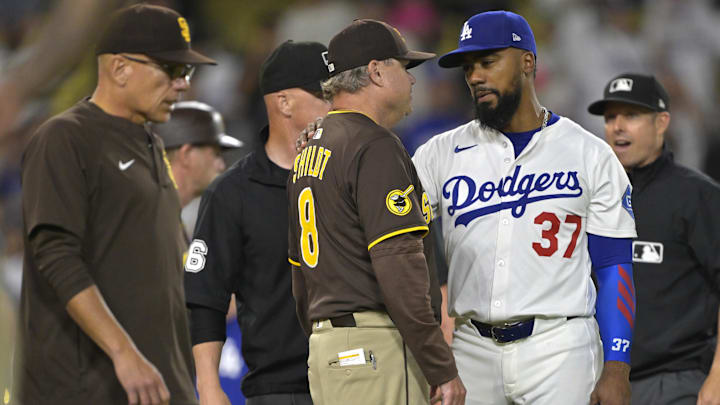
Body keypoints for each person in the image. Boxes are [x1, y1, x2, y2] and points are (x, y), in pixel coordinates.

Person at [411, 11, 637, 405]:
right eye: (468, 68)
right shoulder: (438, 154)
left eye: (487, 62)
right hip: (471, 346)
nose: (475, 77)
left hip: (560, 346)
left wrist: (617, 364)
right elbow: (393, 234)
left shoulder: (589, 154)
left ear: (527, 62)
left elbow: (613, 265)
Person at [15, 4, 215, 405]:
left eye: (186, 73)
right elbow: (56, 256)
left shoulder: (152, 144)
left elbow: (163, 257)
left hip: (157, 386)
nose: (182, 85)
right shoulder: (66, 139)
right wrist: (124, 353)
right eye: (171, 70)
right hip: (88, 387)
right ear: (120, 68)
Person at [287, 20, 465, 405]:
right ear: (376, 71)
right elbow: (399, 268)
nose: (414, 81)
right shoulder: (374, 145)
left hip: (328, 349)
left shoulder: (310, 151)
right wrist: (440, 366)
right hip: (376, 347)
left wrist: (329, 338)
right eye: (405, 67)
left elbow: (298, 273)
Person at [184, 40, 330, 405]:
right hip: (281, 389)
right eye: (324, 93)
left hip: (360, 378)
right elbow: (206, 298)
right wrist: (208, 386)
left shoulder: (354, 177)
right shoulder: (233, 193)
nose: (336, 103)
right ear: (283, 102)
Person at [588, 72, 720, 405]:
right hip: (602, 379)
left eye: (631, 115)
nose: (617, 126)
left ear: (662, 122)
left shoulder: (697, 196)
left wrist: (718, 378)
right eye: (610, 117)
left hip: (677, 380)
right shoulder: (593, 201)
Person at [150, 101, 242, 208]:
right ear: (186, 155)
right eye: (216, 154)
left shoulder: (161, 211)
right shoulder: (150, 216)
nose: (222, 166)